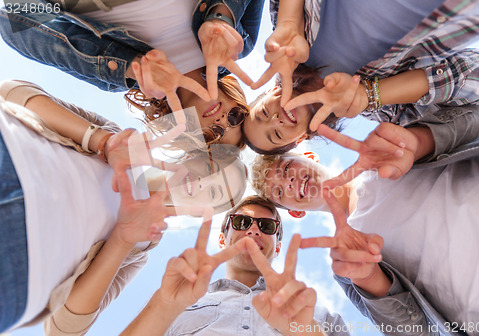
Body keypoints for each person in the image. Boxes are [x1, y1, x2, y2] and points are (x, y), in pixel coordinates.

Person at [0, 79, 247, 334]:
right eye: (211, 169)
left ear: (201, 212)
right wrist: (101, 140)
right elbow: (11, 93)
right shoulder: (120, 138)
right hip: (11, 154)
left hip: (18, 265)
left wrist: (122, 239)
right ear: (194, 155)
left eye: (215, 192)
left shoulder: (138, 249)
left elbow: (63, 328)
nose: (203, 183)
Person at [250, 99, 479, 333]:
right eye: (280, 191)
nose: (290, 181)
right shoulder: (347, 264)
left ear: (310, 156)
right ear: (296, 211)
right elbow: (413, 331)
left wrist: (421, 141)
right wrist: (369, 277)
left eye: (285, 169)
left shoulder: (384, 149)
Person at [242, 0, 479, 154]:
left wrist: (289, 21)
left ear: (270, 94)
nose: (275, 120)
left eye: (263, 114)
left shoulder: (285, 31)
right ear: (300, 139)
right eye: (275, 134)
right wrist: (371, 94)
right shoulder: (388, 113)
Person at [0, 0, 258, 147]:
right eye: (235, 117)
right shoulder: (239, 43)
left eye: (212, 134)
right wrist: (221, 18)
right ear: (239, 100)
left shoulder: (116, 77)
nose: (222, 121)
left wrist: (130, 63)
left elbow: (12, 19)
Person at [120, 196, 350, 336]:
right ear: (222, 238)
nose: (253, 230)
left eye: (267, 226)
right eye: (242, 222)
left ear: (277, 247)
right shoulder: (178, 302)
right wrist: (164, 304)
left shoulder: (318, 315)